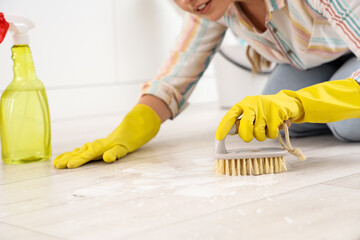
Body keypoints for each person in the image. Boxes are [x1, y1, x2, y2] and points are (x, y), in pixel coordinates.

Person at [54, 0, 360, 169]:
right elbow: (175, 78)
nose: (188, 1)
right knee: (275, 116)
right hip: (319, 60)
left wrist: (301, 103)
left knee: (345, 124)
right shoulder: (212, 7)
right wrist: (129, 129)